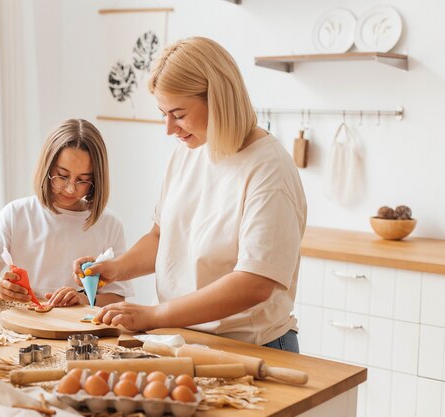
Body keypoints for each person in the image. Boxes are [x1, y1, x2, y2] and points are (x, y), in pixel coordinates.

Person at [73, 37, 307, 352]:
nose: (169, 128)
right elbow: (162, 237)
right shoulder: (189, 150)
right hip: (180, 340)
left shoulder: (269, 170)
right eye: (163, 114)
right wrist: (115, 268)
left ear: (219, 99)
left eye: (179, 114)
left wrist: (153, 315)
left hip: (249, 347)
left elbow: (254, 283)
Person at [0, 119, 133, 307]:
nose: (71, 189)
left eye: (83, 180)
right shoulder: (16, 214)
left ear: (97, 178)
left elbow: (117, 297)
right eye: (62, 176)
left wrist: (82, 298)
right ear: (47, 167)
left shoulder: (109, 225)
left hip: (76, 329)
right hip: (24, 325)